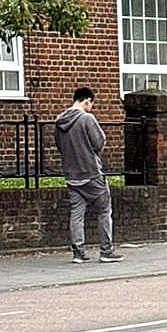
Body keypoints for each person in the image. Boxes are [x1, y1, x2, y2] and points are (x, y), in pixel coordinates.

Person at [54, 86, 123, 264]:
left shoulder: (60, 121)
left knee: (77, 213)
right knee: (104, 210)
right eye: (91, 103)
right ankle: (106, 251)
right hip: (91, 172)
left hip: (71, 174)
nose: (91, 107)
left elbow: (60, 147)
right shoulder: (87, 119)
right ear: (86, 101)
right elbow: (99, 142)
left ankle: (78, 252)